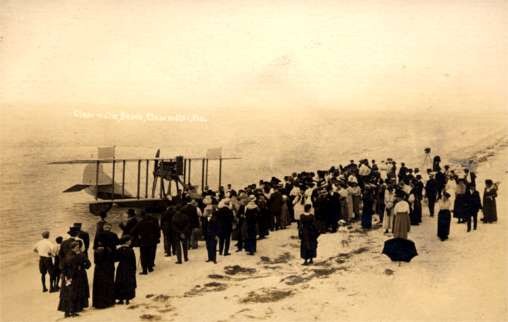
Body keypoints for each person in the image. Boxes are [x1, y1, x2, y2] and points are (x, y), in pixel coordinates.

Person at [58, 240, 91, 317]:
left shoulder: (67, 255)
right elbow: (87, 264)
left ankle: (67, 312)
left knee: (66, 294)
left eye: (78, 247)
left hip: (67, 277)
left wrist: (64, 275)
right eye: (77, 247)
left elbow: (62, 266)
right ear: (73, 248)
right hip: (74, 276)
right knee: (73, 293)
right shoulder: (77, 256)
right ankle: (72, 311)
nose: (78, 249)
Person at [92, 223, 118, 309]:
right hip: (110, 262)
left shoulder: (99, 235)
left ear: (104, 228)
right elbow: (117, 244)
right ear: (110, 228)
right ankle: (110, 301)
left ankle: (98, 302)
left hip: (100, 264)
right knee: (110, 280)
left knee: (99, 282)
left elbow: (94, 247)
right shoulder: (114, 235)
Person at [114, 236, 137, 305]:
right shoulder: (130, 250)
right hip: (129, 268)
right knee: (128, 283)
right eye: (129, 240)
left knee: (120, 282)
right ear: (126, 241)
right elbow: (133, 261)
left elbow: (116, 259)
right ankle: (127, 299)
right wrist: (134, 269)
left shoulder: (119, 249)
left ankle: (120, 299)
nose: (130, 241)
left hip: (121, 267)